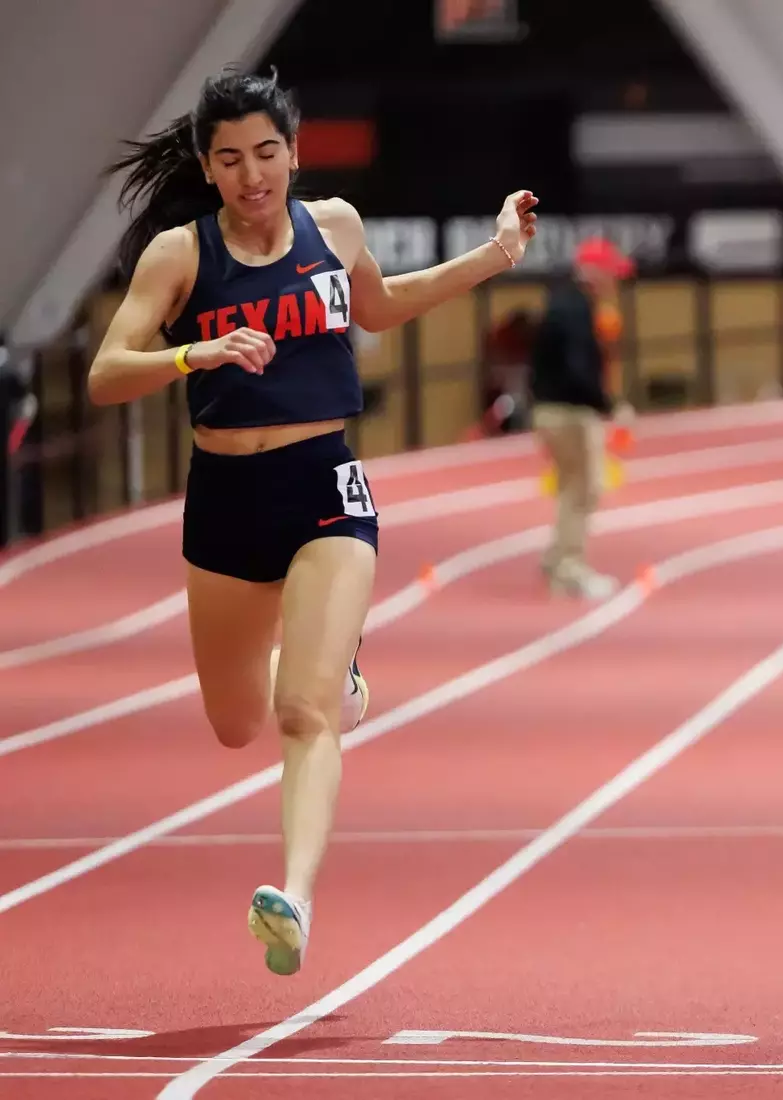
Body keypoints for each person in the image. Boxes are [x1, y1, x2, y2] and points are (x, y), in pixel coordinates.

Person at [86, 68, 538, 977]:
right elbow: (105, 374)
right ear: (208, 169)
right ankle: (332, 674)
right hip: (223, 501)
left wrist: (493, 256)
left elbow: (379, 305)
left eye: (266, 153)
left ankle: (291, 896)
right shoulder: (180, 255)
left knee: (304, 713)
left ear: (292, 152)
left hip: (323, 482)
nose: (252, 175)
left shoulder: (333, 226)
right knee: (234, 721)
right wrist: (196, 352)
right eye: (230, 160)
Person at [527, 236, 632, 598]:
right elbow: (577, 368)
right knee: (583, 490)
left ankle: (558, 556)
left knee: (574, 488)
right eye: (611, 273)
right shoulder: (575, 310)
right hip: (569, 412)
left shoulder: (565, 303)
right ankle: (569, 567)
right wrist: (607, 403)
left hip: (554, 408)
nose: (615, 282)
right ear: (595, 273)